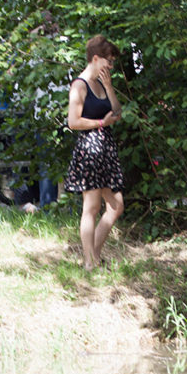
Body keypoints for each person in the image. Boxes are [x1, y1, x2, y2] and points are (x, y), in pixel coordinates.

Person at [65, 35, 124, 271]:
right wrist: (101, 123)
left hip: (106, 149)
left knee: (116, 206)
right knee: (91, 207)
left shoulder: (102, 83)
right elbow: (73, 122)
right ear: (95, 58)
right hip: (89, 149)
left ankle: (93, 256)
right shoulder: (80, 85)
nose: (110, 66)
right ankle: (90, 263)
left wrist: (109, 88)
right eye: (108, 61)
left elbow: (117, 112)